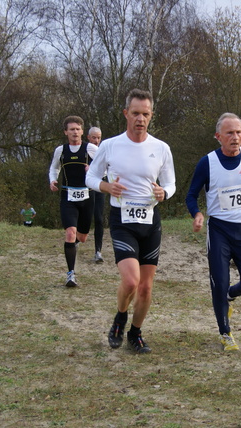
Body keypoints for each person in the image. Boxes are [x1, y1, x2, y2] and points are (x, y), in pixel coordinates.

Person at [86, 89, 176, 354]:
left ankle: (135, 333)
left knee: (146, 288)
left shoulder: (161, 148)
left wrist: (164, 193)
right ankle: (120, 316)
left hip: (150, 221)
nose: (140, 119)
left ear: (151, 116)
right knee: (130, 282)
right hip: (122, 220)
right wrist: (106, 186)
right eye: (135, 113)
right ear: (126, 113)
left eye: (145, 114)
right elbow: (89, 178)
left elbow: (170, 183)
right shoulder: (110, 145)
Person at [185, 113, 241, 352]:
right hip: (220, 231)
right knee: (219, 281)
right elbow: (191, 195)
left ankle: (231, 295)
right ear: (218, 137)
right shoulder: (207, 162)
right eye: (230, 133)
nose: (235, 137)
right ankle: (225, 333)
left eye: (239, 132)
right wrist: (197, 214)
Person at [49, 115, 97, 288]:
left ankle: (74, 245)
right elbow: (54, 167)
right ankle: (70, 274)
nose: (75, 132)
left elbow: (107, 167)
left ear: (82, 131)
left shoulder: (90, 148)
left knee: (81, 238)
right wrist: (52, 180)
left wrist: (93, 169)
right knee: (70, 232)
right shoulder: (60, 150)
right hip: (67, 196)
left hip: (87, 196)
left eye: (77, 129)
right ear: (66, 132)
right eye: (71, 129)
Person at [88, 126, 106, 263]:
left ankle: (98, 251)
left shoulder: (103, 151)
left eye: (98, 137)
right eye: (94, 137)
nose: (96, 140)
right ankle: (75, 240)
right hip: (85, 188)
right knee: (84, 218)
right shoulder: (84, 150)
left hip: (100, 187)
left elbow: (108, 169)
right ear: (88, 137)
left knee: (99, 219)